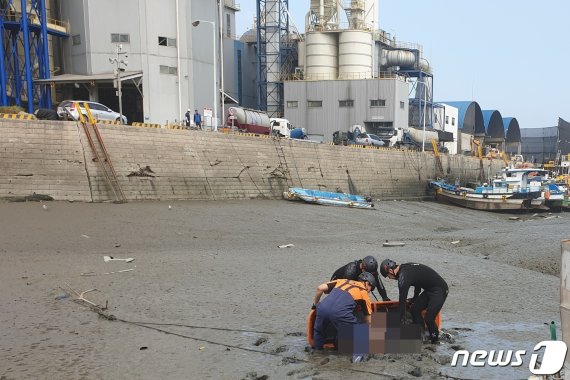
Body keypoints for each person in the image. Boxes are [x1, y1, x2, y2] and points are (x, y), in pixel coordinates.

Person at [379, 259, 448, 344]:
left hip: (440, 289)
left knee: (429, 318)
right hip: (430, 290)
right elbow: (417, 282)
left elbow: (402, 301)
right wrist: (414, 299)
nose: (390, 278)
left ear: (390, 270)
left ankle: (435, 342)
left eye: (388, 276)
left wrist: (400, 320)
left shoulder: (403, 276)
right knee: (415, 309)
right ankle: (422, 335)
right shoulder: (405, 267)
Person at [311, 272, 377, 350]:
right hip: (339, 312)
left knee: (319, 332)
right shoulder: (363, 292)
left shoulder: (343, 281)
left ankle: (316, 354)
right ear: (366, 283)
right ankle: (358, 357)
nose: (369, 291)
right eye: (370, 288)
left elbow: (320, 288)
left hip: (322, 308)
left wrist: (315, 306)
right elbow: (368, 318)